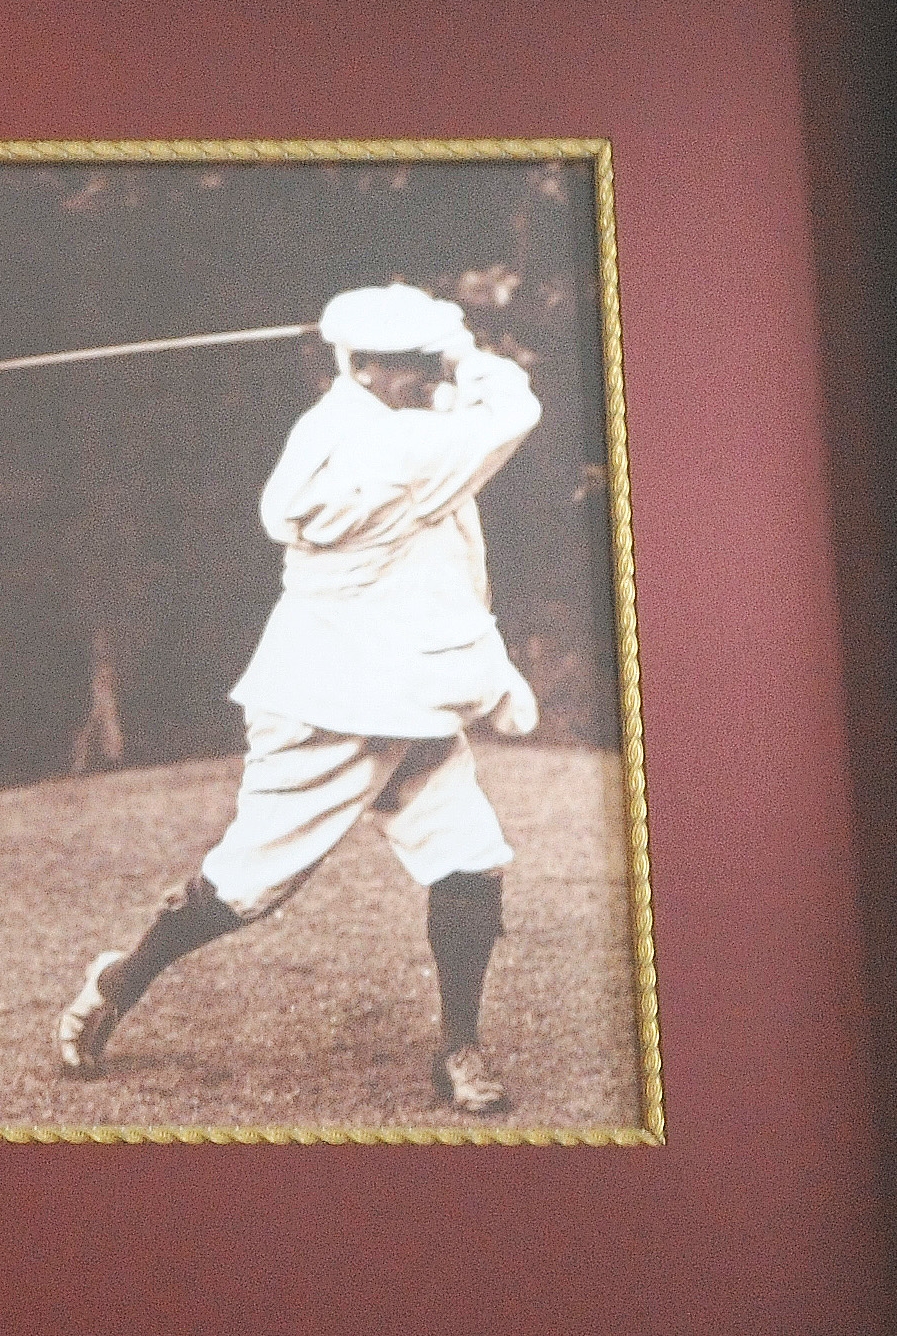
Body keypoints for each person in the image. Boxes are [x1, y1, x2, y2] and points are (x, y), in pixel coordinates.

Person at [54, 282, 542, 1115]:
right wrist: (463, 348)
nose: (431, 376)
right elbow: (509, 411)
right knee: (244, 890)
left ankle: (459, 1047)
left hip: (409, 695)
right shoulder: (395, 451)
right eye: (414, 364)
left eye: (432, 362)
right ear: (363, 365)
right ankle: (117, 980)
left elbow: (448, 443)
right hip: (327, 707)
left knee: (469, 861)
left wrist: (432, 352)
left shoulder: (353, 419)